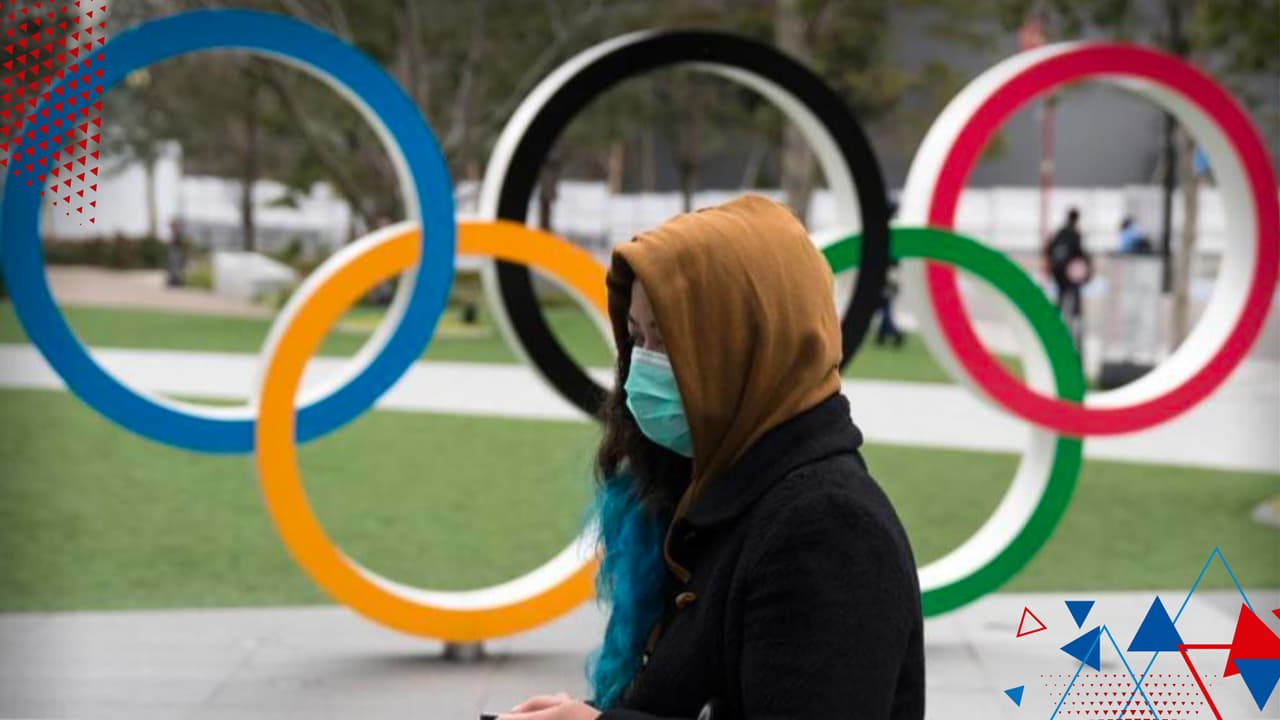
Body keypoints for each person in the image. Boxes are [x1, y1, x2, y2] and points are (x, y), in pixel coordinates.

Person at [500, 195, 925, 720]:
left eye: (668, 341)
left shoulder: (829, 530)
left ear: (752, 344)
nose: (641, 368)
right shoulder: (713, 488)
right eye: (636, 337)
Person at [1045, 207, 1092, 345]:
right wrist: (1087, 266)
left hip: (1058, 271)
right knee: (1075, 301)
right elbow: (1079, 253)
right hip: (1069, 273)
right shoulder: (1075, 234)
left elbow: (1048, 249)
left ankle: (1055, 326)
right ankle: (1075, 331)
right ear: (1077, 219)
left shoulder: (1059, 232)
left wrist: (1052, 265)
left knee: (1060, 298)